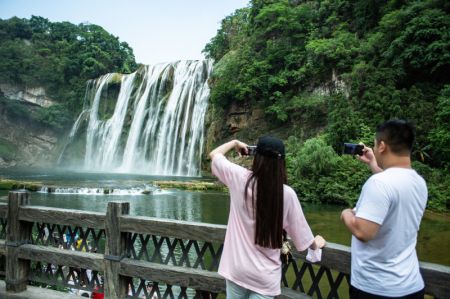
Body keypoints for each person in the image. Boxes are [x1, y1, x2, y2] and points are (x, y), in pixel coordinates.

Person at [210, 136, 326, 299]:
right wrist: (317, 245)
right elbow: (302, 235)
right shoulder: (286, 194)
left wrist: (235, 143)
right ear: (281, 163)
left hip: (237, 270)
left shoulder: (239, 178)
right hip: (264, 278)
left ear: (256, 157)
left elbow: (215, 155)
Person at [341, 119, 427, 299]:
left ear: (381, 146)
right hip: (411, 286)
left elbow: (363, 232)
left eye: (374, 143)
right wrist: (373, 165)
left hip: (376, 288)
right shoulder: (418, 182)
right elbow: (394, 186)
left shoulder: (378, 184)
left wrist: (347, 214)